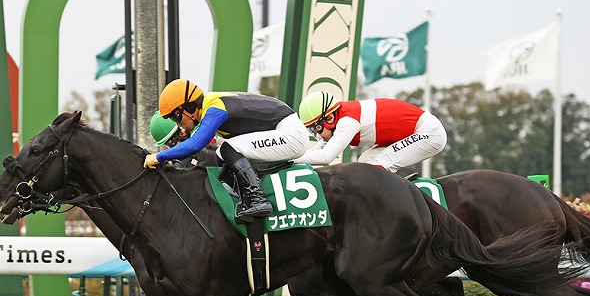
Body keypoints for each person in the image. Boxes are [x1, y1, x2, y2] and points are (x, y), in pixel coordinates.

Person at [144, 79, 308, 222]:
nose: (178, 124)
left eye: (176, 118)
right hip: (285, 131)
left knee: (228, 149)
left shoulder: (214, 109)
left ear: (188, 107)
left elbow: (195, 145)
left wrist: (159, 156)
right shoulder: (210, 107)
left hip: (290, 134)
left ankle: (258, 199)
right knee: (222, 153)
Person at [295, 91, 447, 173]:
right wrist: (291, 157)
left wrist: (288, 159)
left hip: (428, 133)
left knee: (376, 166)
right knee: (364, 164)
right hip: (414, 132)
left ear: (329, 118)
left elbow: (325, 156)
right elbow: (318, 150)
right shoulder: (339, 117)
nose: (317, 136)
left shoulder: (348, 121)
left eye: (316, 129)